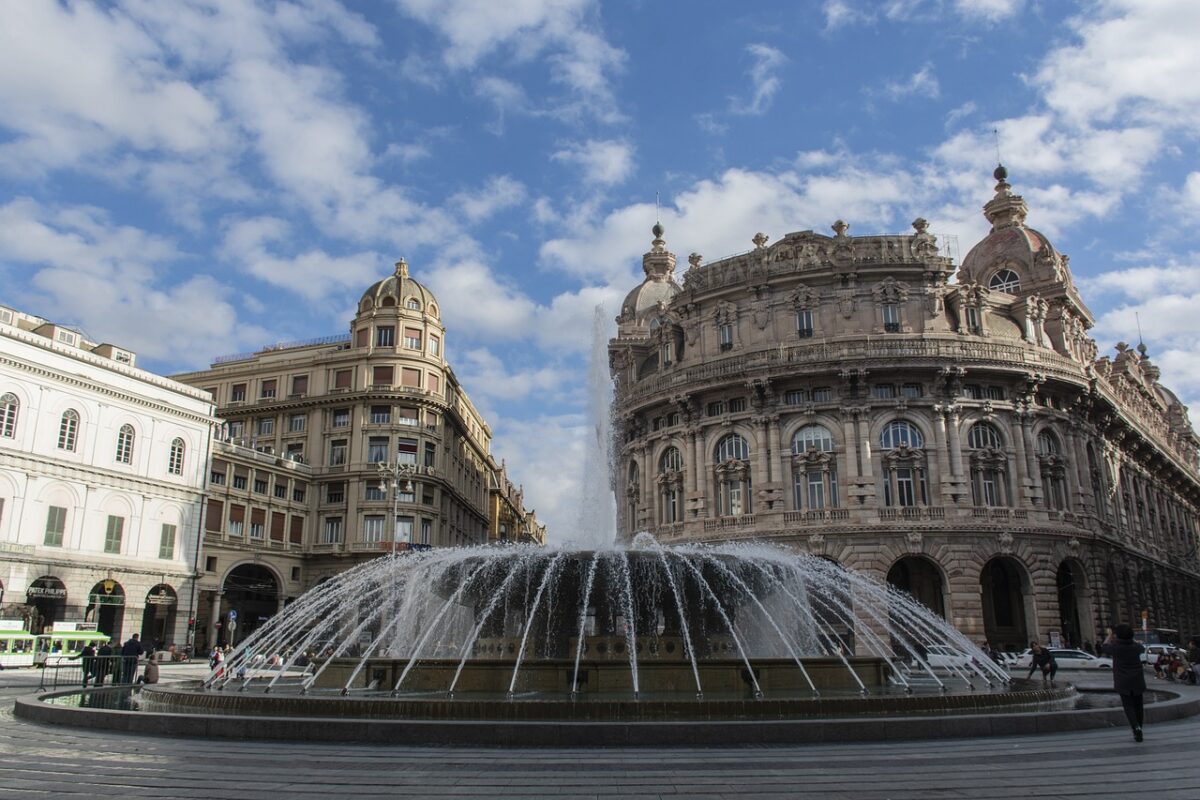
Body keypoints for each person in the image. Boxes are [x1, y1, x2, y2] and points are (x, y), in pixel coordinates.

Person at [1103, 624, 1147, 742]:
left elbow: (1104, 646)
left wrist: (1109, 635)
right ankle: (1140, 727)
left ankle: (1135, 728)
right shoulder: (1136, 646)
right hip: (1137, 679)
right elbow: (1142, 648)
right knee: (1138, 706)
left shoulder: (1115, 647)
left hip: (1123, 680)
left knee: (1128, 706)